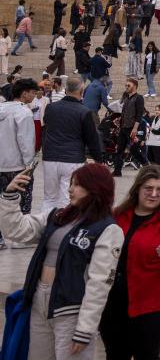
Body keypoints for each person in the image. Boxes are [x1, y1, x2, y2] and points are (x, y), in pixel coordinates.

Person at [0, 163, 122, 359]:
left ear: (95, 188)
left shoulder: (108, 229)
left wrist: (85, 328)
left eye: (77, 185)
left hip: (71, 309)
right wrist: (10, 196)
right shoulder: (57, 216)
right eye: (71, 183)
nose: (70, 189)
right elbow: (16, 231)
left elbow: (99, 283)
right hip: (40, 301)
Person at [101, 165, 160, 360]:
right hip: (114, 300)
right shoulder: (118, 215)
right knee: (115, 353)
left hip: (152, 304)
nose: (153, 194)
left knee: (147, 355)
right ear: (137, 188)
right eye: (148, 188)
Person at [37, 78, 104, 211]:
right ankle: (62, 228)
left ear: (66, 90)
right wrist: (98, 160)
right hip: (72, 159)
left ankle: (46, 227)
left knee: (49, 197)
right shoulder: (84, 111)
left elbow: (46, 128)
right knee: (67, 197)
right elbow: (92, 138)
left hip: (51, 157)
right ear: (81, 91)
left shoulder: (51, 108)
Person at [0, 76, 39, 224]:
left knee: (2, 200)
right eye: (33, 93)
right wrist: (28, 163)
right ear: (24, 93)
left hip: (1, 163)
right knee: (23, 200)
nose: (34, 96)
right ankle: (21, 233)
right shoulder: (24, 112)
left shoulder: (2, 108)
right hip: (17, 166)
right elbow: (26, 141)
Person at [111, 77, 147, 176]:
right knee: (119, 150)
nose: (126, 87)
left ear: (134, 86)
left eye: (128, 85)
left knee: (134, 150)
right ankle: (117, 171)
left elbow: (139, 115)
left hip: (132, 128)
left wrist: (135, 128)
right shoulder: (127, 98)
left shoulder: (139, 98)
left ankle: (147, 166)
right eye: (125, 85)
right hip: (123, 128)